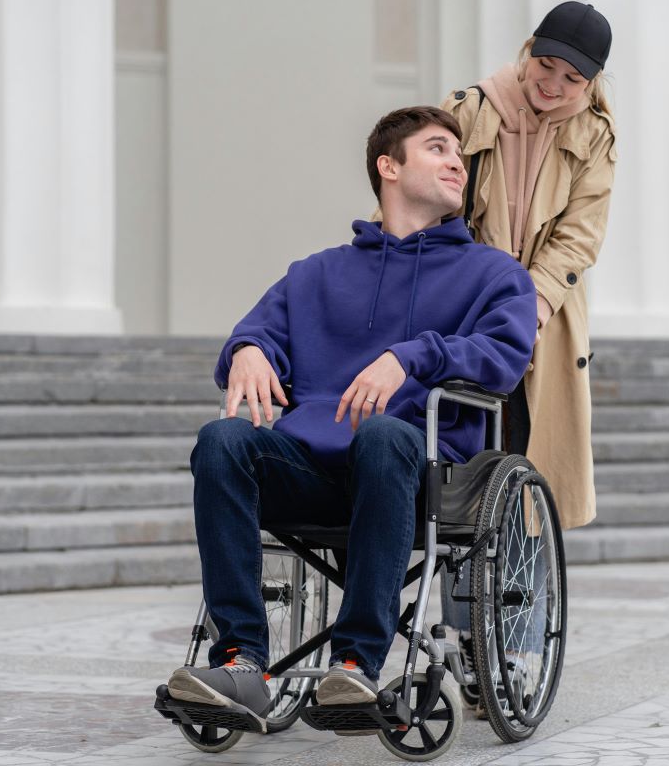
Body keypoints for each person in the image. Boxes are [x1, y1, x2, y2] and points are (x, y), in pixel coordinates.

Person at [165, 106, 537, 732]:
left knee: (385, 434)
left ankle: (355, 665)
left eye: (459, 154)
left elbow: (504, 357)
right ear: (388, 167)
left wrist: (411, 356)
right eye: (438, 148)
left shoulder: (494, 273)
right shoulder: (316, 273)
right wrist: (248, 349)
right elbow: (259, 331)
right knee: (222, 440)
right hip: (312, 470)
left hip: (419, 474)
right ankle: (241, 662)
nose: (457, 163)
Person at [437, 0, 617, 702]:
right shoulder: (469, 110)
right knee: (459, 493)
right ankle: (463, 648)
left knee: (528, 498)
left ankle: (512, 656)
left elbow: (579, 236)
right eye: (546, 66)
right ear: (529, 50)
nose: (554, 85)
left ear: (591, 82)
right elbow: (430, 200)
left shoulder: (595, 135)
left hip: (544, 328)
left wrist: (529, 305)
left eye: (573, 78)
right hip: (462, 318)